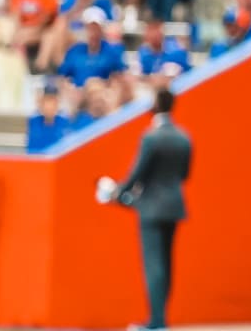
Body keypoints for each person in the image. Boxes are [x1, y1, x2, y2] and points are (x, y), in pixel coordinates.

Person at [101, 89, 192, 331]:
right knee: (167, 263)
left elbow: (137, 174)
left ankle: (157, 321)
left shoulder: (151, 138)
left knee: (154, 264)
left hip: (151, 207)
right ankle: (161, 318)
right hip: (175, 205)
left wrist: (117, 192)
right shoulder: (184, 138)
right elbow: (184, 174)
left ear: (154, 106)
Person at [26, 82, 70, 152]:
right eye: (47, 101)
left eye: (53, 101)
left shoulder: (64, 122)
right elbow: (31, 149)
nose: (49, 105)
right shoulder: (34, 121)